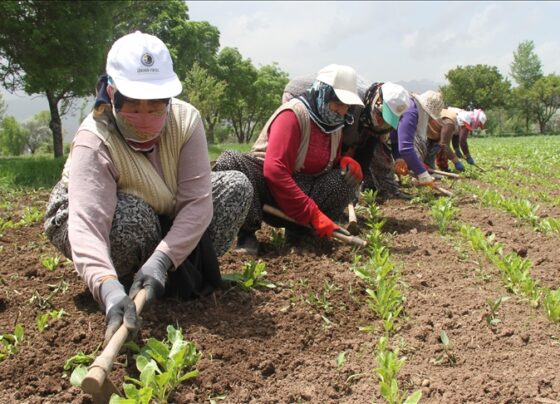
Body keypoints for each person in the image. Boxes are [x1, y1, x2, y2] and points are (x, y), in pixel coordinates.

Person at [43, 31, 252, 343]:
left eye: (155, 108)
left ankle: (160, 271)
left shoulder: (185, 120)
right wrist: (108, 288)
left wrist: (161, 259)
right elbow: (88, 226)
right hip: (93, 214)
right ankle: (125, 279)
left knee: (235, 187)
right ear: (112, 95)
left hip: (162, 204)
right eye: (134, 107)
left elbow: (196, 203)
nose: (144, 119)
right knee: (132, 218)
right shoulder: (94, 138)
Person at [214, 64, 365, 254]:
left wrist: (343, 161)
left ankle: (303, 236)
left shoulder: (334, 124)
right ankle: (247, 235)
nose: (342, 111)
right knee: (231, 161)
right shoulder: (292, 115)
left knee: (345, 179)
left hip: (306, 190)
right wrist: (312, 213)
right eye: (338, 103)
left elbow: (322, 160)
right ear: (323, 94)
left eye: (347, 106)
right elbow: (275, 171)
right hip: (270, 191)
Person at [283, 75, 411, 199]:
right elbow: (344, 142)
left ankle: (334, 196)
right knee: (316, 151)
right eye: (381, 117)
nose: (382, 123)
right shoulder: (355, 102)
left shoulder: (375, 119)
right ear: (377, 102)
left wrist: (355, 181)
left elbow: (371, 148)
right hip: (299, 94)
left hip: (334, 106)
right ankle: (301, 193)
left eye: (387, 121)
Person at [390, 90, 445, 187]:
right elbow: (405, 148)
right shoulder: (411, 111)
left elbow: (394, 138)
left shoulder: (411, 107)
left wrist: (398, 158)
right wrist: (422, 174)